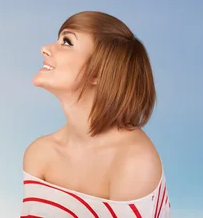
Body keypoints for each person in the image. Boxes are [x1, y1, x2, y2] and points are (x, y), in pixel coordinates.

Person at [21, 11, 171, 217]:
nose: (45, 49)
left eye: (66, 42)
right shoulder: (39, 154)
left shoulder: (133, 161)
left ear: (98, 71)